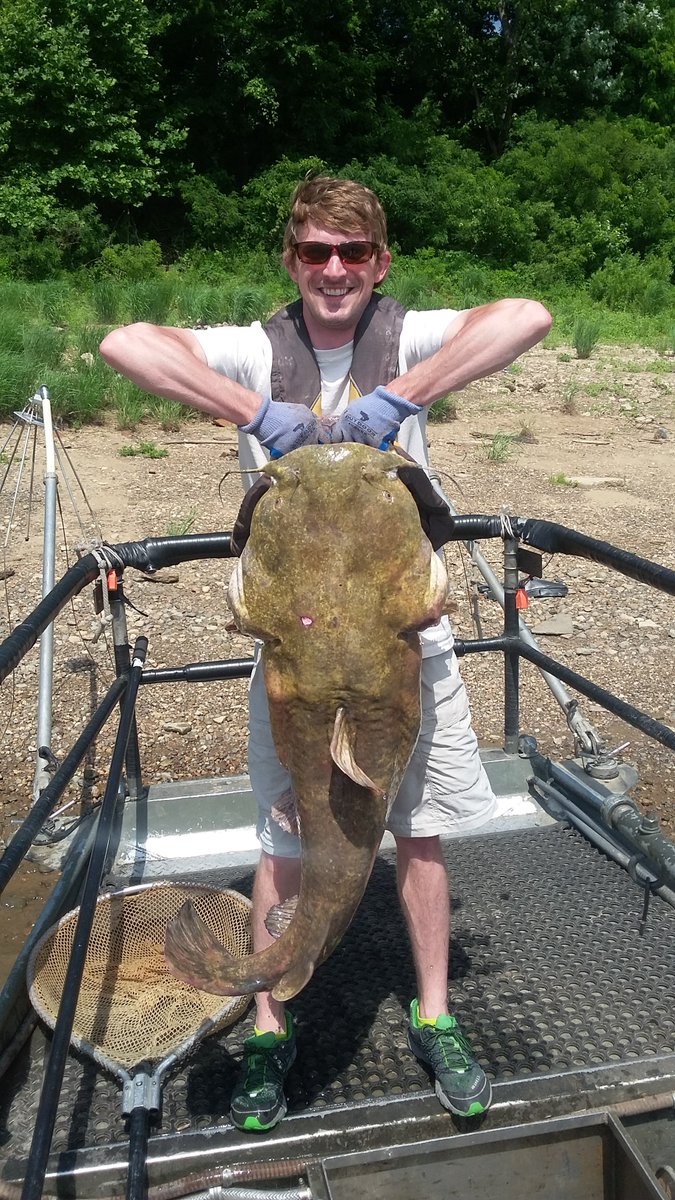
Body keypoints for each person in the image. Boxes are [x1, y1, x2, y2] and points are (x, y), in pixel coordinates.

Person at [100, 175, 552, 1132]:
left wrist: (400, 396)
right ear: (291, 260)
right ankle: (269, 1015)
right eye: (314, 252)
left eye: (352, 254)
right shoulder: (252, 349)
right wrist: (253, 412)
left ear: (379, 262)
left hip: (402, 655)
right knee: (282, 841)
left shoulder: (408, 333)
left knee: (418, 835)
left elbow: (526, 313)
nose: (334, 270)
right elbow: (123, 344)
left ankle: (434, 1014)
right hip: (296, 668)